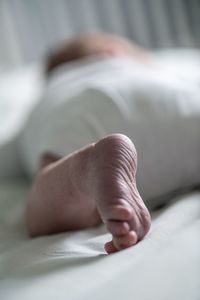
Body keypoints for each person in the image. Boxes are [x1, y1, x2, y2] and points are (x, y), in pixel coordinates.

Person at [23, 33, 200, 254]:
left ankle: (86, 167)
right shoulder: (146, 74)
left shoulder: (47, 97)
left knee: (41, 212)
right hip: (162, 100)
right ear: (112, 51)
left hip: (77, 115)